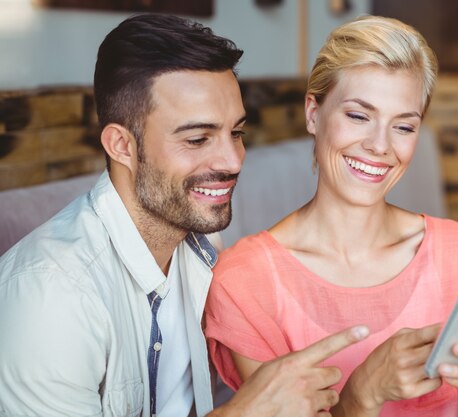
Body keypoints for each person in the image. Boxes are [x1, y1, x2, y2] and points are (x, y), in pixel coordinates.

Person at [0, 13, 370, 417]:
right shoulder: (50, 298)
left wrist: (360, 397)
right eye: (197, 139)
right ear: (121, 145)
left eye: (236, 133)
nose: (233, 160)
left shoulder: (203, 247)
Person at [205, 15, 458, 417]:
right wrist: (362, 395)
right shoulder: (245, 283)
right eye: (358, 116)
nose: (380, 145)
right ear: (313, 114)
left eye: (403, 126)